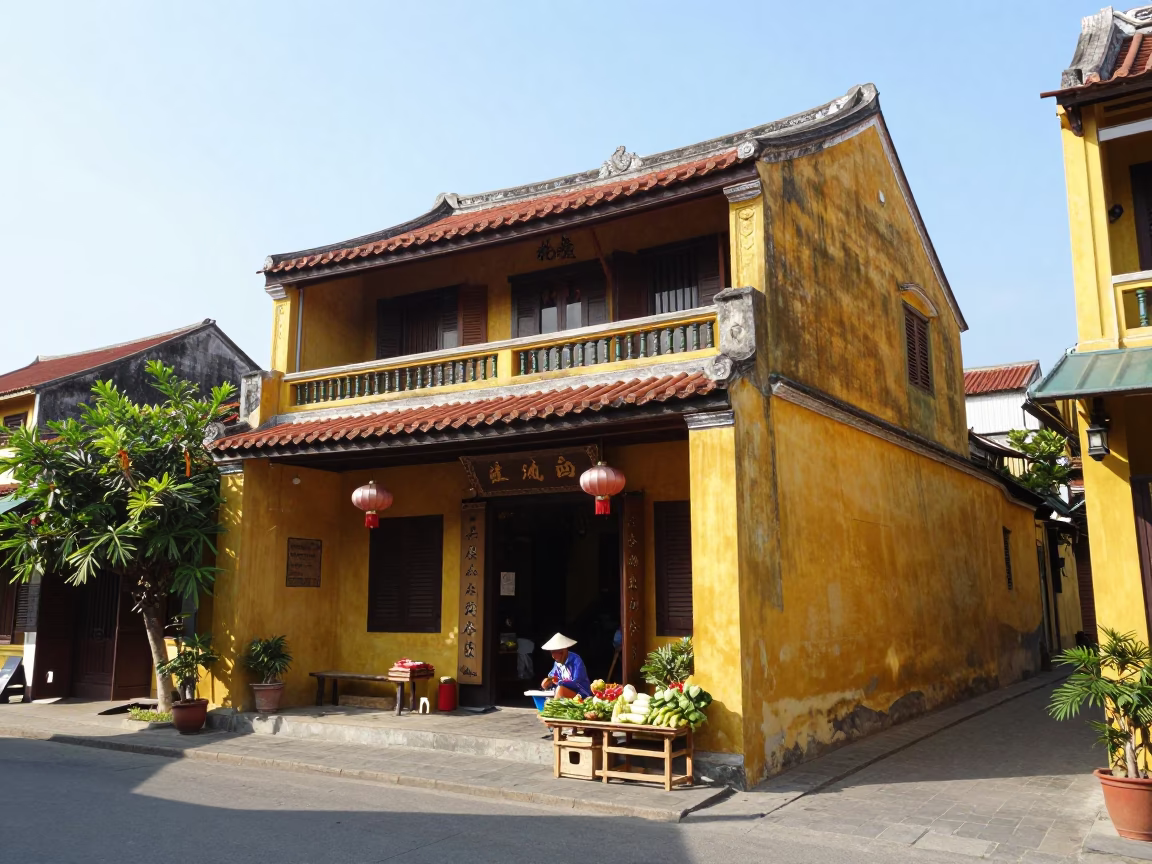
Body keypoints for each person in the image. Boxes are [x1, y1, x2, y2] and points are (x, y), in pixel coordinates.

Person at [540, 633, 591, 698]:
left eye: (555, 653)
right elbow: (553, 676)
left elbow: (577, 683)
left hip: (581, 694)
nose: (553, 657)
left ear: (563, 652)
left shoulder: (576, 660)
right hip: (563, 692)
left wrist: (560, 682)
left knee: (560, 690)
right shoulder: (557, 663)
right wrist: (548, 682)